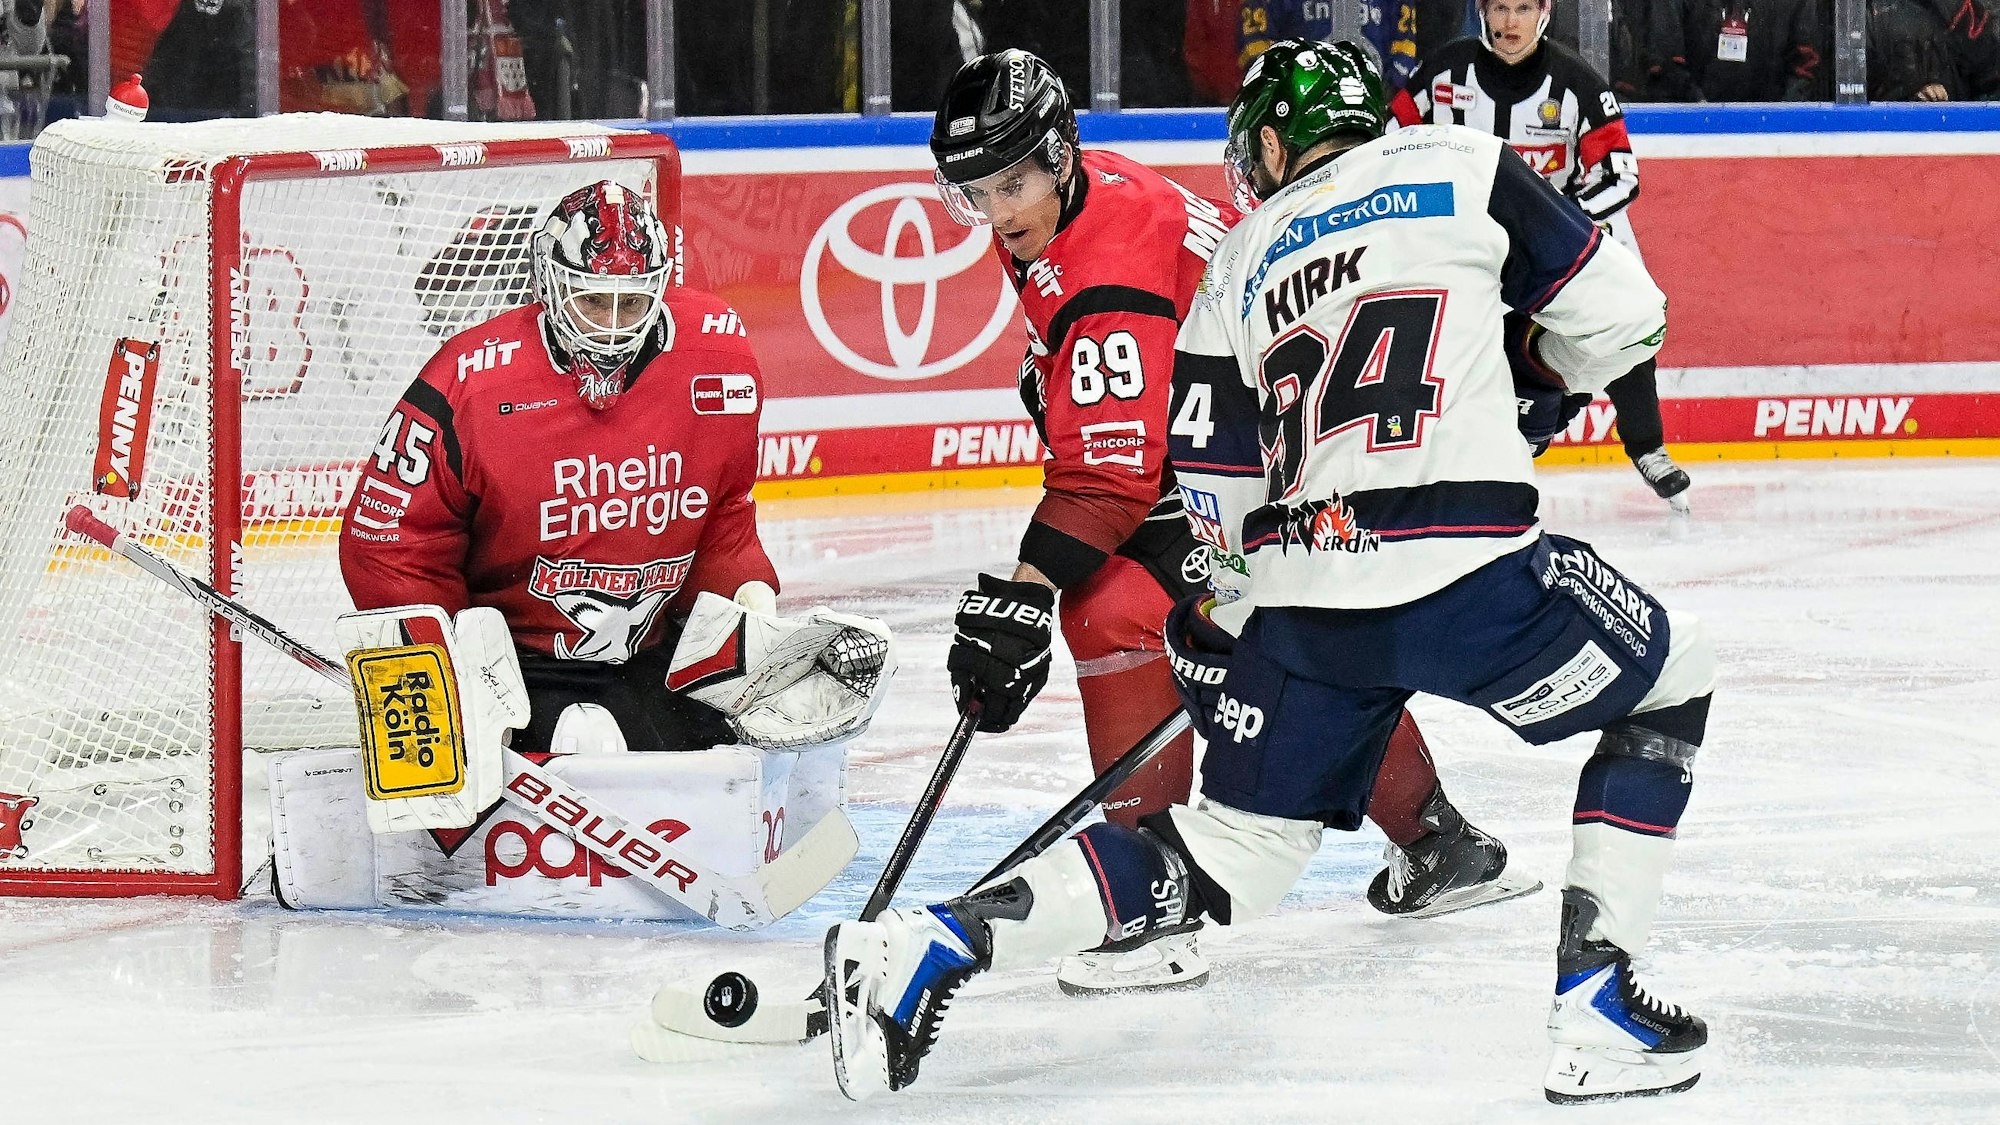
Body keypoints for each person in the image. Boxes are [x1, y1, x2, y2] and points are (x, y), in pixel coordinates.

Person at [825, 39, 1717, 1105]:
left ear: (1270, 142)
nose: (998, 206)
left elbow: (1202, 482)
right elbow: (1625, 320)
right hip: (1471, 566)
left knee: (1224, 839)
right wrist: (1531, 390)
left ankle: (937, 943)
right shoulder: (1458, 160)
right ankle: (1593, 999)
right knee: (1669, 684)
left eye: (1011, 181)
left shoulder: (1242, 252)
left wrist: (1223, 603)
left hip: (1310, 583)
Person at [929, 48, 1532, 999]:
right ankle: (1439, 839)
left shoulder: (1104, 270)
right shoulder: (1085, 196)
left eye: (1012, 183)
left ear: (1057, 151)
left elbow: (1106, 483)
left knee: (1112, 608)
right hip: (1284, 446)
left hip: (1265, 469)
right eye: (975, 192)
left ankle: (1150, 904)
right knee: (1288, 650)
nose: (999, 213)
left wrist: (1023, 595)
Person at [340, 180, 778, 757]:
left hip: (649, 656)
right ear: (550, 286)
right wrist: (442, 669)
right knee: (564, 753)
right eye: (592, 300)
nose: (613, 324)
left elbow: (722, 513)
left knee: (767, 733)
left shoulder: (718, 358)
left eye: (634, 301)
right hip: (510, 665)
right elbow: (389, 540)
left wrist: (745, 593)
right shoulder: (473, 379)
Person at [1392, 0, 1692, 508]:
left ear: (1544, 12)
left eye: (1523, 8)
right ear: (1484, 12)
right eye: (1501, 8)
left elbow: (1620, 175)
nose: (1511, 22)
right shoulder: (1444, 71)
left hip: (1564, 239)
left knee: (1629, 313)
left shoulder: (1577, 81)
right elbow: (1391, 142)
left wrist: (1565, 223)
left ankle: (1647, 445)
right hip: (1471, 240)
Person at [1681, 0, 1829, 100]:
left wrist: (1780, 117)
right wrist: (1696, 103)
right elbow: (1671, 53)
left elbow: (1806, 64)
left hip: (1772, 127)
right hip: (1697, 123)